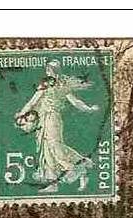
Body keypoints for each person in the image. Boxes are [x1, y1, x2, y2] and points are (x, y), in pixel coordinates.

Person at [14, 59, 99, 193]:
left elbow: (32, 102)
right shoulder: (59, 85)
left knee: (54, 147)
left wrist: (21, 114)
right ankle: (55, 182)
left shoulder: (51, 85)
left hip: (51, 118)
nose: (47, 72)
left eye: (49, 70)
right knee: (48, 149)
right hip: (45, 119)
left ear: (51, 71)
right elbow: (75, 102)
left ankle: (79, 166)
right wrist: (89, 109)